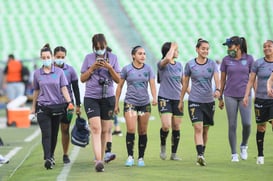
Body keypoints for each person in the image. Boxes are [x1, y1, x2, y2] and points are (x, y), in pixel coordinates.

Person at [80, 33, 120, 172]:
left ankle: (101, 159)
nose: (100, 50)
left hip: (108, 98)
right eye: (97, 48)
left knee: (104, 130)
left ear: (105, 46)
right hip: (91, 97)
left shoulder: (113, 58)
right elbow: (82, 79)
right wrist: (92, 68)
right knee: (95, 129)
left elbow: (118, 80)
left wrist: (109, 68)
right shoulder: (88, 58)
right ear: (93, 47)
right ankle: (98, 160)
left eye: (102, 47)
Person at [178, 38, 220, 166]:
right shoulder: (190, 64)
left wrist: (218, 90)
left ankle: (201, 154)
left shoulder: (212, 64)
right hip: (194, 100)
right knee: (198, 127)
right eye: (203, 48)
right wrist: (181, 100)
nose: (205, 51)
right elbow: (185, 84)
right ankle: (200, 155)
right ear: (197, 49)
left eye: (207, 49)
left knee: (205, 130)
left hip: (208, 101)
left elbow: (217, 79)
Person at [31, 44, 74, 170]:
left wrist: (70, 102)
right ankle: (48, 158)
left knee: (54, 133)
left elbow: (64, 88)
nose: (46, 59)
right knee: (46, 134)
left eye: (48, 57)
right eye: (43, 57)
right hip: (43, 107)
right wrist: (33, 107)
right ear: (41, 58)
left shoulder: (59, 72)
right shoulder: (37, 74)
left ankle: (52, 156)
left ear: (52, 57)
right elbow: (36, 91)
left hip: (57, 107)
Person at [115, 45, 157, 167]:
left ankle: (141, 158)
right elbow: (119, 87)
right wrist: (116, 103)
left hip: (144, 104)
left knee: (143, 131)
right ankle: (130, 156)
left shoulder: (148, 69)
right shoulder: (126, 69)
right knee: (131, 129)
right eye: (140, 53)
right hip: (130, 103)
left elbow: (153, 85)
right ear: (133, 55)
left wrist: (154, 97)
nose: (143, 56)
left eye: (144, 53)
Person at [219, 36, 254, 162]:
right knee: (232, 124)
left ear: (238, 46)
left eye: (230, 47)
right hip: (230, 95)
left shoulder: (249, 59)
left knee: (247, 124)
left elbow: (252, 78)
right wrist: (220, 97)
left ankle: (244, 145)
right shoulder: (226, 60)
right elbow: (223, 79)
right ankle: (234, 153)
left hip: (245, 96)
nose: (228, 49)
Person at [244, 40, 273, 165]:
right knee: (261, 127)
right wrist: (246, 95)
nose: (267, 48)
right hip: (260, 99)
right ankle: (260, 155)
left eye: (269, 46)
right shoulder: (258, 63)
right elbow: (251, 81)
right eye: (264, 47)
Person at [53, 46, 81, 164]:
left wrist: (78, 105)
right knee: (53, 130)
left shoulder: (70, 70)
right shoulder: (48, 70)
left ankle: (65, 154)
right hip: (53, 104)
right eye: (58, 57)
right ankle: (50, 155)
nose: (60, 59)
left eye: (62, 57)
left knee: (65, 129)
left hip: (67, 105)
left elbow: (75, 88)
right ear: (54, 56)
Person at [157, 42, 184, 161]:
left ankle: (174, 154)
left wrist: (192, 94)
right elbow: (167, 58)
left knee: (176, 126)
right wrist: (173, 46)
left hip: (178, 99)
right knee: (166, 126)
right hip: (164, 98)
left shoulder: (179, 65)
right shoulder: (162, 64)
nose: (177, 52)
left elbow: (184, 83)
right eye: (176, 50)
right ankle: (163, 146)